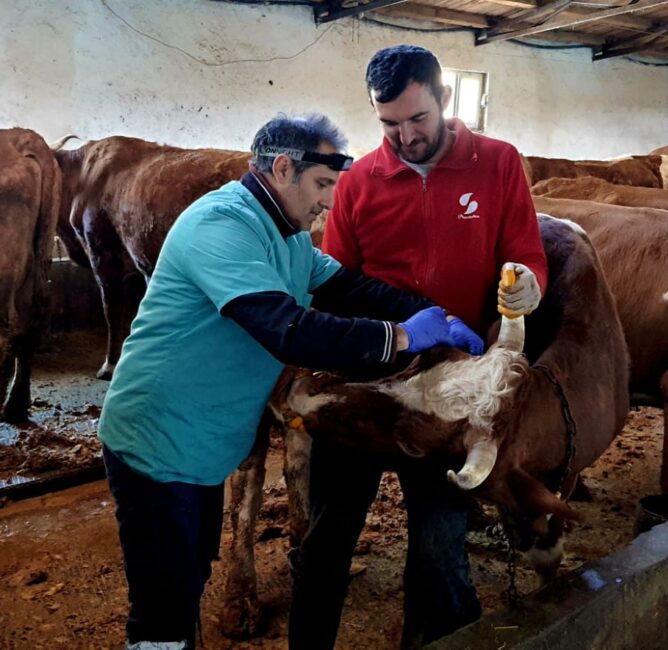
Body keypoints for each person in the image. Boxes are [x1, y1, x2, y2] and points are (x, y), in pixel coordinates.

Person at [98, 113, 483, 650]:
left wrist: (433, 315)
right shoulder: (221, 226)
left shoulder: (290, 237)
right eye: (322, 185)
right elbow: (288, 330)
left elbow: (350, 288)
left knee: (190, 578)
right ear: (283, 169)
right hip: (158, 443)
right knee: (162, 608)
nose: (328, 202)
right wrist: (400, 337)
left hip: (204, 448)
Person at [289, 45, 549, 649]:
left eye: (417, 120)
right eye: (389, 124)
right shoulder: (357, 182)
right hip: (371, 377)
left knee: (439, 542)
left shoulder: (499, 163)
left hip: (455, 385)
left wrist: (528, 284)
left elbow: (524, 253)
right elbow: (338, 280)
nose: (404, 136)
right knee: (327, 536)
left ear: (444, 100)